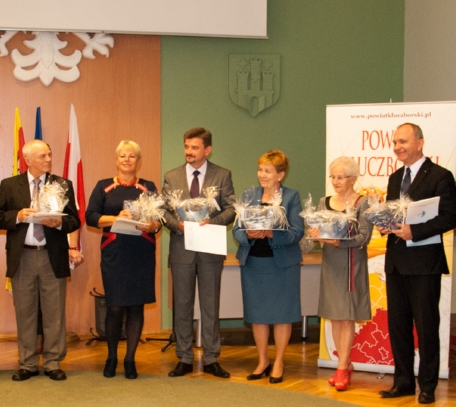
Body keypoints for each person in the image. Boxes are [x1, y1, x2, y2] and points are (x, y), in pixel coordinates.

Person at [377, 123, 456, 404]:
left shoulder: (440, 176)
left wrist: (415, 231)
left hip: (424, 264)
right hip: (396, 262)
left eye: (403, 141)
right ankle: (402, 382)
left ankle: (427, 386)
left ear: (420, 143)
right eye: (395, 142)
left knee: (426, 327)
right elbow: (393, 214)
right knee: (398, 326)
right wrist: (384, 225)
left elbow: (449, 217)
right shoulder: (394, 178)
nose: (397, 147)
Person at [0, 139, 81, 381]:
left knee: (54, 312)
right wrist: (18, 216)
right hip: (23, 257)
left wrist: (59, 222)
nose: (48, 159)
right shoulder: (10, 185)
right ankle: (27, 363)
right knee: (25, 312)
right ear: (27, 160)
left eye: (49, 155)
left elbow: (74, 220)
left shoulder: (63, 184)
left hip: (52, 256)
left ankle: (53, 362)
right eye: (42, 156)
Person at [160, 127, 236, 378]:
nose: (189, 151)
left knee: (210, 305)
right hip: (181, 249)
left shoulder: (222, 175)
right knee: (181, 305)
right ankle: (184, 357)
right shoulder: (171, 176)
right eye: (186, 147)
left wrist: (212, 222)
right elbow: (162, 210)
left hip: (210, 249)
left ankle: (212, 357)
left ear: (207, 150)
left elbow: (231, 209)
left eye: (194, 147)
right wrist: (177, 224)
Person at [85, 140, 161, 379]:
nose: (127, 160)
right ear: (116, 161)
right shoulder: (103, 186)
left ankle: (130, 360)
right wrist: (116, 218)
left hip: (141, 252)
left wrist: (153, 225)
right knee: (115, 306)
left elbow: (159, 220)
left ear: (139, 161)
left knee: (136, 306)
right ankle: (111, 357)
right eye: (123, 156)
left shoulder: (149, 187)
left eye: (132, 156)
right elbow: (90, 217)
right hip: (115, 254)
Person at [232, 150, 304, 383]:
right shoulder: (249, 194)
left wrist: (272, 233)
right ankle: (262, 361)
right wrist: (248, 234)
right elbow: (236, 229)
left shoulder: (291, 197)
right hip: (253, 263)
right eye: (260, 169)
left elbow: (297, 232)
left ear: (280, 174)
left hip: (282, 265)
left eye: (268, 171)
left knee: (282, 315)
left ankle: (279, 362)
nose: (262, 175)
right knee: (258, 315)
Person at [308, 156, 373, 391]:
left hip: (351, 263)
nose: (336, 181)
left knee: (347, 317)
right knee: (335, 316)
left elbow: (364, 237)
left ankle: (343, 368)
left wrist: (338, 242)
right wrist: (314, 234)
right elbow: (316, 232)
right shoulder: (324, 202)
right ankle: (342, 364)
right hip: (331, 264)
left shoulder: (363, 203)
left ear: (353, 179)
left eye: (341, 177)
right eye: (333, 177)